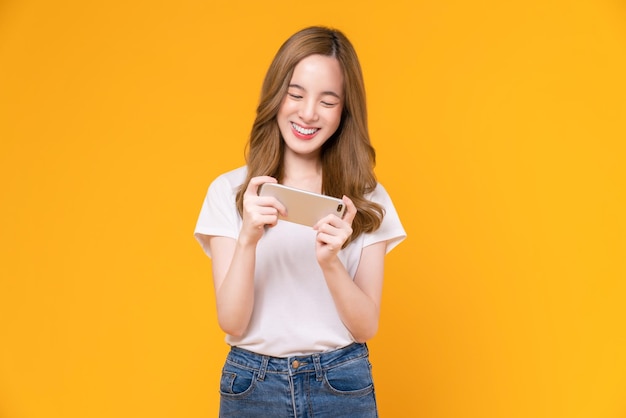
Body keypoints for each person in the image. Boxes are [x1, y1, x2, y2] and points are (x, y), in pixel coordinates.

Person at [194, 26, 406, 418]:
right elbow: (232, 322)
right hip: (251, 385)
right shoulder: (230, 191)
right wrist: (247, 240)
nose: (308, 113)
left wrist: (330, 261)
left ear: (344, 111)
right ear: (276, 96)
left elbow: (364, 327)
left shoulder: (366, 198)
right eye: (296, 94)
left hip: (340, 382)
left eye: (328, 101)